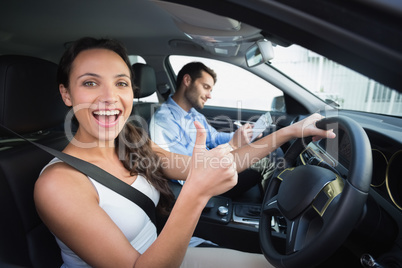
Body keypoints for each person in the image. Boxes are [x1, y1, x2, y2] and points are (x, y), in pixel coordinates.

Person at [34, 37, 335, 268]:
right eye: (90, 83)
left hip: (169, 250)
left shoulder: (131, 141)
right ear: (66, 94)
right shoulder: (58, 184)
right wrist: (196, 193)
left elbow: (215, 165)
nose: (110, 97)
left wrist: (291, 132)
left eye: (121, 83)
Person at [149, 62, 277, 195]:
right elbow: (183, 171)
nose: (209, 95)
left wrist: (242, 136)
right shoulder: (163, 121)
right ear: (187, 80)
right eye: (205, 87)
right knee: (265, 163)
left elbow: (214, 138)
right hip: (203, 183)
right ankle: (271, 214)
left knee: (268, 149)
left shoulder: (193, 114)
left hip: (211, 166)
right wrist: (232, 145)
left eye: (210, 90)